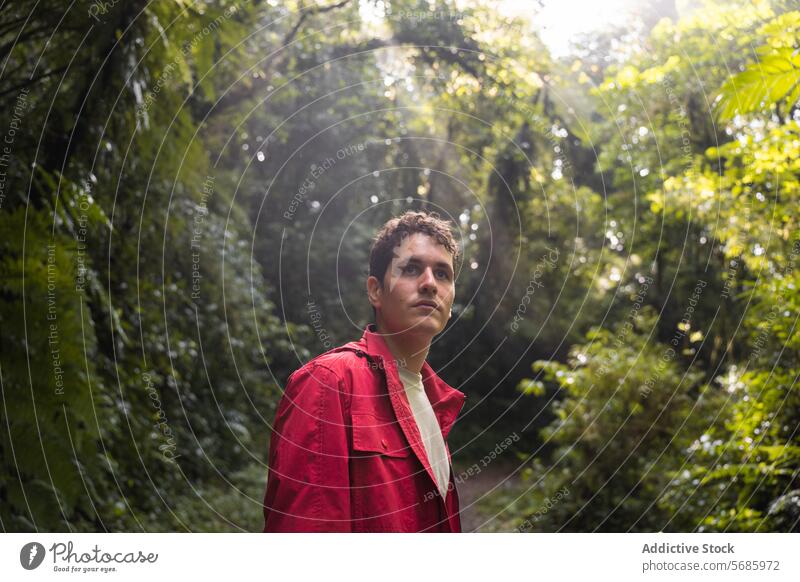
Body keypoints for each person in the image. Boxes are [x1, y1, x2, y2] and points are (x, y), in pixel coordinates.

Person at [262, 210, 466, 532]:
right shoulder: (329, 382)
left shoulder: (435, 402)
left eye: (443, 274)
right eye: (411, 269)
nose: (429, 284)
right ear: (375, 291)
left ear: (451, 299)